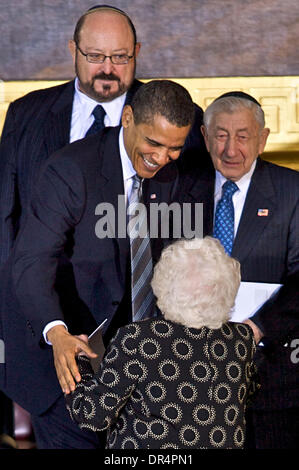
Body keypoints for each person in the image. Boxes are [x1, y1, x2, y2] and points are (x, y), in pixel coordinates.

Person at [0, 4, 207, 444]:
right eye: (95, 56)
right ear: (74, 51)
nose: (107, 69)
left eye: (120, 57)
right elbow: (13, 231)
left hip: (153, 365)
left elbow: (190, 233)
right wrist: (43, 326)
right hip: (57, 357)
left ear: (136, 53)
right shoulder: (33, 125)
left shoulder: (177, 121)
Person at [177, 91, 299, 449]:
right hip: (192, 379)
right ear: (204, 135)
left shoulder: (292, 192)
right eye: (221, 135)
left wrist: (256, 329)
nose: (231, 150)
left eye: (243, 136)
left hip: (272, 378)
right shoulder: (179, 188)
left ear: (262, 139)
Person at [65, 236, 257, 449]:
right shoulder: (242, 338)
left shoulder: (138, 339)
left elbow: (91, 415)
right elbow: (243, 398)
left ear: (164, 282)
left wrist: (80, 361)